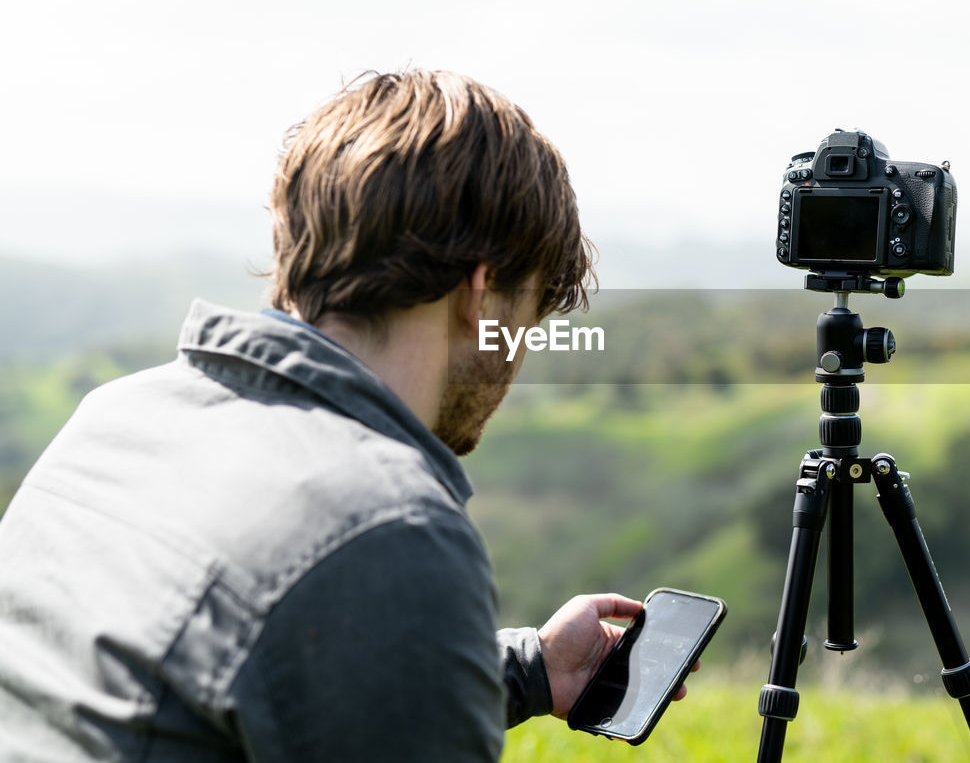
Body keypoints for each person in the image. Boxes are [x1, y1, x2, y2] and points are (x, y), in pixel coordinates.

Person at [0, 70, 676, 760]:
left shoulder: (118, 415)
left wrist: (533, 669)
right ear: (480, 296)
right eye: (526, 322)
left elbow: (239, 677)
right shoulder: (384, 526)